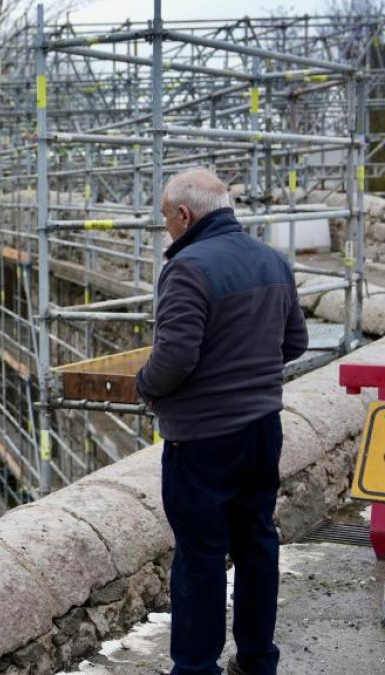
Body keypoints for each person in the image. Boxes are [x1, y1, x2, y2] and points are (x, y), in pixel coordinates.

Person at [135, 168, 309, 675]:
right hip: (262, 431)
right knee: (257, 542)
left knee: (200, 555)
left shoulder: (188, 268)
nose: (166, 227)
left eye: (166, 218)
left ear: (184, 215)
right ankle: (257, 660)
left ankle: (195, 667)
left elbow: (176, 357)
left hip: (203, 440)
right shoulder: (272, 261)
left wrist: (144, 385)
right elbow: (295, 343)